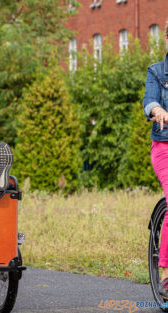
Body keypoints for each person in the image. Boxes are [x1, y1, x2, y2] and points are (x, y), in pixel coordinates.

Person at [144, 21, 168, 299]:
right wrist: (158, 110)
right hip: (164, 146)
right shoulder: (157, 71)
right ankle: (165, 274)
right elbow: (149, 102)